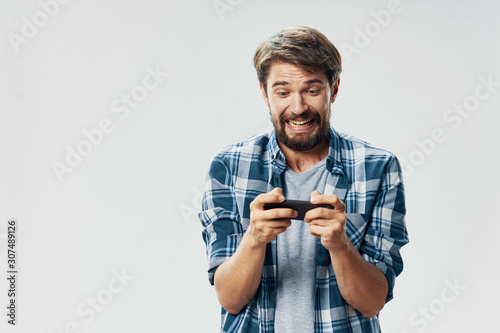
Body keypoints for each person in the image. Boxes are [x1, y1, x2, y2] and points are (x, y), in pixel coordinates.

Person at [199, 26, 409, 333]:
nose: (298, 108)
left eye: (312, 90)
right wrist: (254, 239)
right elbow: (230, 299)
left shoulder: (378, 168)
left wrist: (340, 245)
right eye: (283, 92)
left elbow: (372, 301)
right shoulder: (229, 166)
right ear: (264, 93)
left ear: (333, 89)